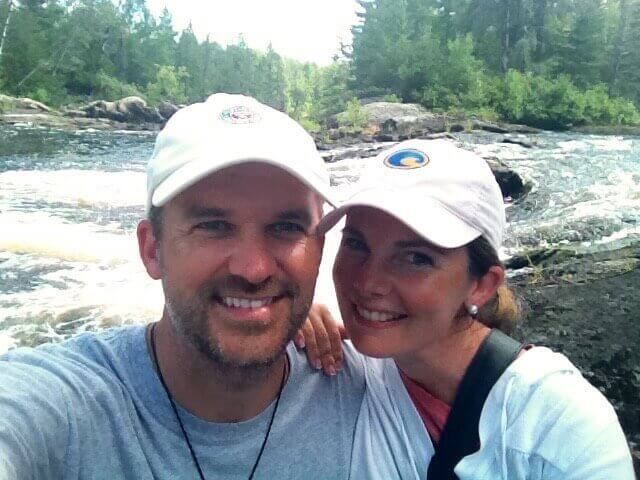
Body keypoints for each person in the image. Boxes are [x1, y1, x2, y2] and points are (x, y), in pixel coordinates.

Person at [0, 93, 366, 479]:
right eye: (214, 226)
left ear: (319, 250)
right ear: (152, 249)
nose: (254, 270)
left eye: (286, 228)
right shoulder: (66, 406)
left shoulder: (364, 388)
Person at [300, 139, 635, 479]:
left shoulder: (559, 427)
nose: (369, 282)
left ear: (482, 285)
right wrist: (287, 319)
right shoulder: (340, 367)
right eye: (356, 244)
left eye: (416, 258)